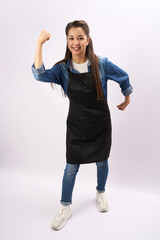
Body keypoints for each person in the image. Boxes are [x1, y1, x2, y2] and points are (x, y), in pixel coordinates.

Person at [31, 20, 133, 231]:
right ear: (67, 41)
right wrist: (40, 43)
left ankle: (101, 192)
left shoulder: (101, 64)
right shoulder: (62, 70)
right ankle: (65, 207)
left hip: (100, 125)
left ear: (88, 40)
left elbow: (124, 78)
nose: (75, 42)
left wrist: (126, 99)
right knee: (71, 169)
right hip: (76, 127)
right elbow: (39, 74)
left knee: (102, 163)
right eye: (71, 38)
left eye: (80, 38)